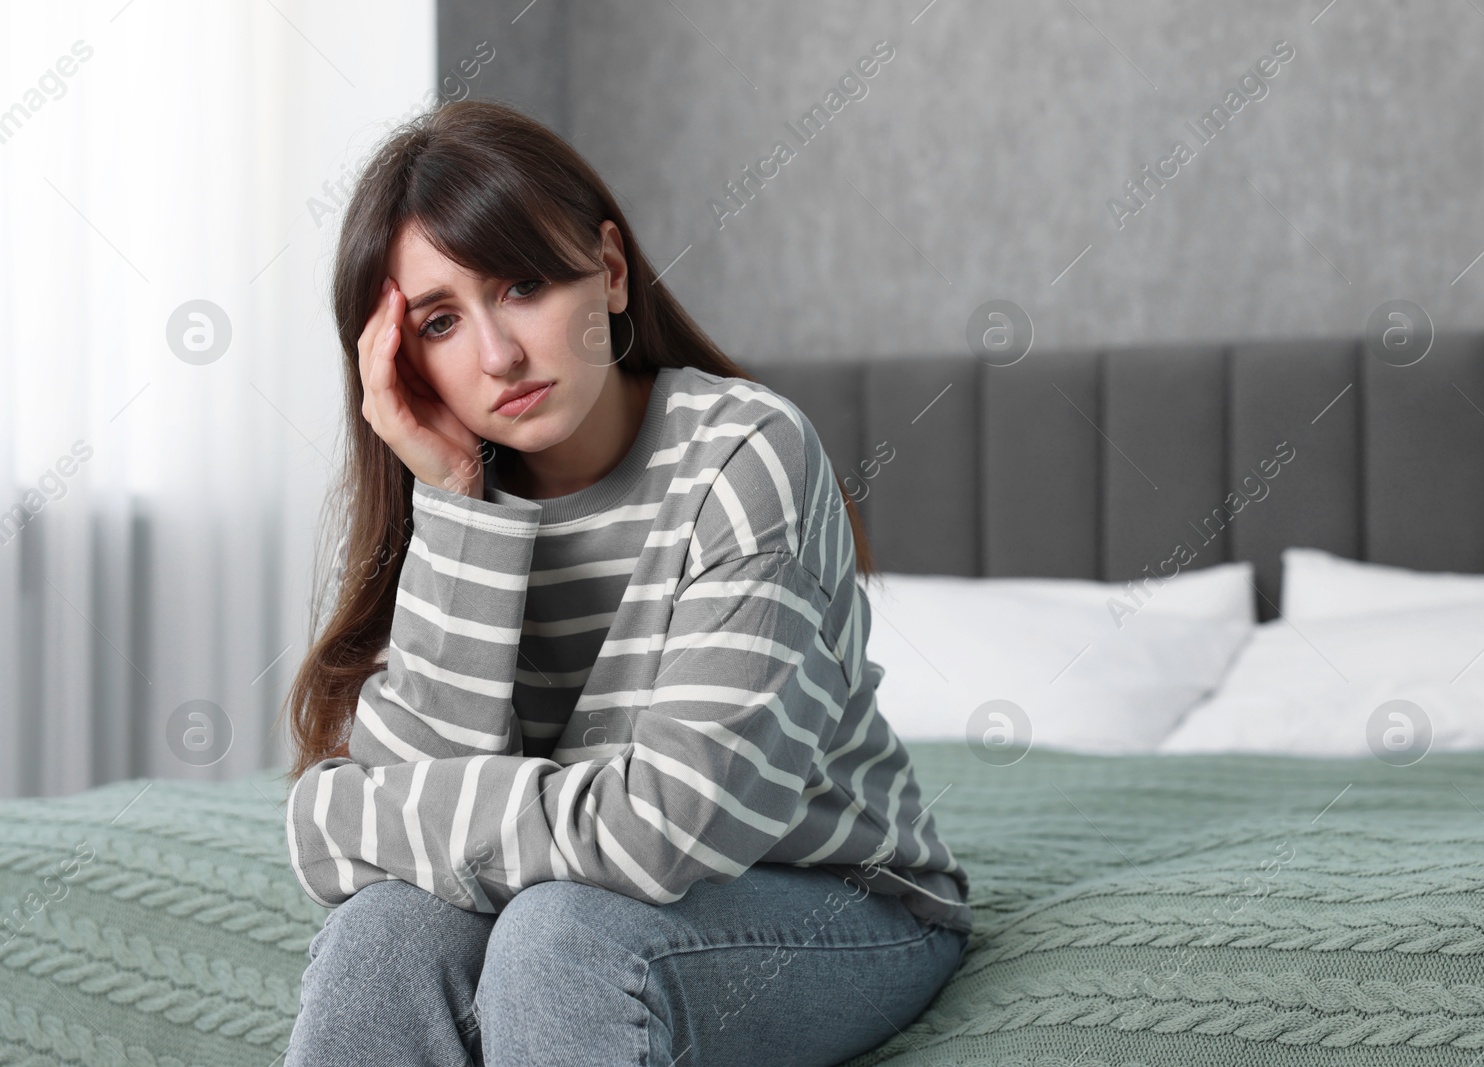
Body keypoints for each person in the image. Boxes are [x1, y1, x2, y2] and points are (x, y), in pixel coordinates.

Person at [275, 99, 971, 1067]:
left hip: (837, 895)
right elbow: (408, 852)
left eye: (521, 285)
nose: (496, 354)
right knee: (381, 934)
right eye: (439, 320)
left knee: (560, 938)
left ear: (605, 271)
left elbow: (663, 829)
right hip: (562, 889)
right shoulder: (446, 496)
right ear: (400, 360)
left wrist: (335, 813)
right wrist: (458, 513)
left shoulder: (744, 455)